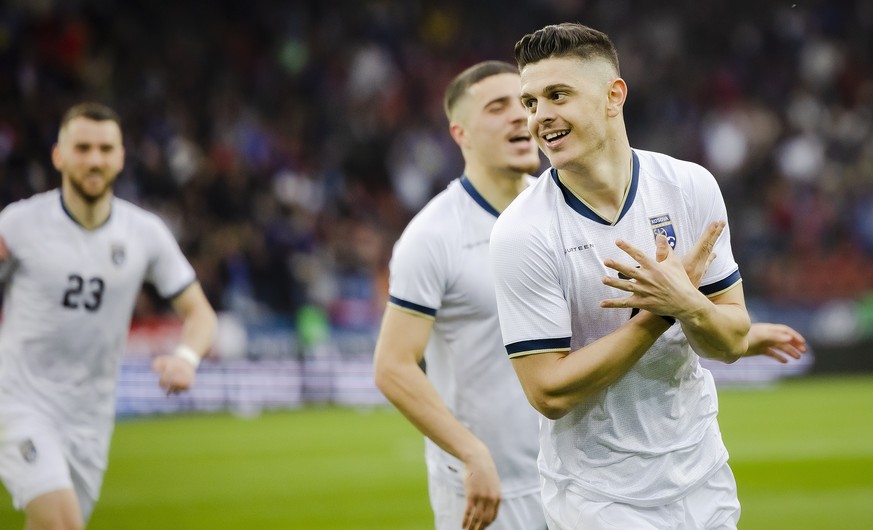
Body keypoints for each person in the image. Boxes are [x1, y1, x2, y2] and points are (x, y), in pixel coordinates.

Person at [489, 23, 807, 530]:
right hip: (597, 497)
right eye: (529, 103)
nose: (539, 116)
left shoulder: (688, 186)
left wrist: (689, 306)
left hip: (702, 475)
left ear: (614, 96)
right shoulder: (522, 233)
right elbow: (548, 391)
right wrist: (657, 316)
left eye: (557, 95)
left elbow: (728, 342)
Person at [0, 102, 217, 529]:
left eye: (104, 148)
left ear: (120, 156)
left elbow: (200, 314)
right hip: (20, 402)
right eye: (82, 148)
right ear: (58, 155)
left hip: (90, 419)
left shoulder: (145, 233)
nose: (94, 159)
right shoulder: (18, 226)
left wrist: (186, 358)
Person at [372, 61, 548, 530]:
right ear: (460, 133)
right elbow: (392, 366)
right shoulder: (432, 235)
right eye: (498, 107)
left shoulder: (561, 210)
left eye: (526, 103)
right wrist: (471, 453)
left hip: (573, 479)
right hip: (488, 487)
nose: (520, 116)